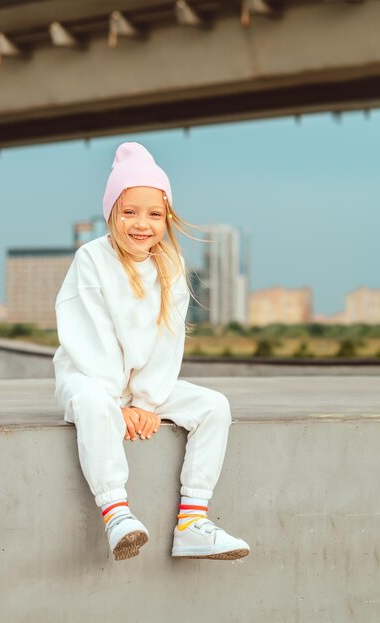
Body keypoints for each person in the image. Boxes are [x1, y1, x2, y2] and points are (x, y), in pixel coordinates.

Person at [53, 141, 250, 562]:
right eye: (129, 212)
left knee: (214, 406)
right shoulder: (91, 259)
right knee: (90, 402)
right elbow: (90, 337)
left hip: (144, 386)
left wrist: (145, 401)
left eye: (154, 214)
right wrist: (114, 402)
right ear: (111, 214)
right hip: (91, 379)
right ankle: (116, 512)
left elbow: (167, 342)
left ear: (167, 218)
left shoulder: (171, 266)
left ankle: (192, 521)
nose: (142, 224)